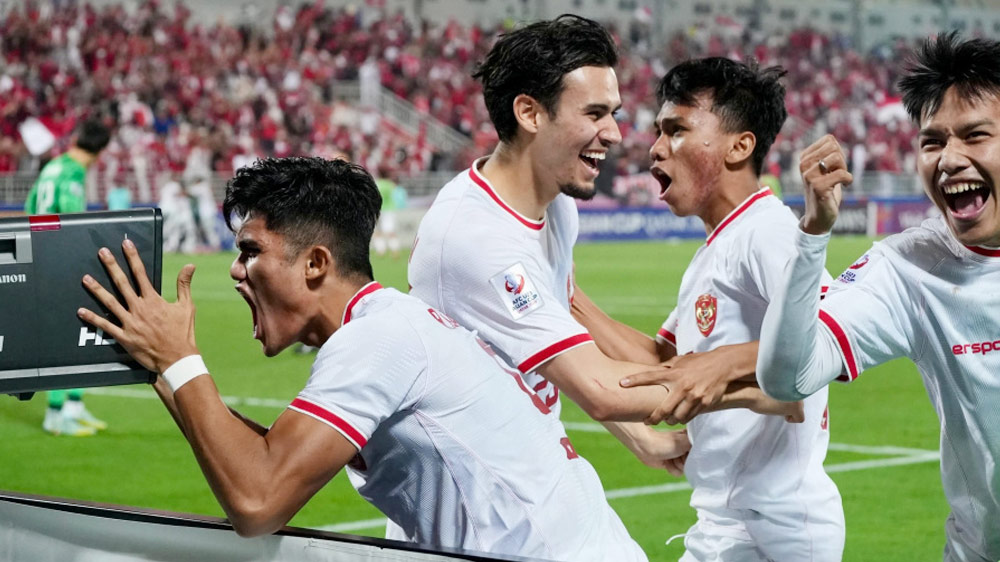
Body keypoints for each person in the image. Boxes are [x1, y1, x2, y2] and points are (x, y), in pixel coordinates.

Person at [75, 157, 649, 561]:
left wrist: (180, 361)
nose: (235, 269)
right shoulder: (390, 324)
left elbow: (258, 499)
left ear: (315, 263)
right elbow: (268, 459)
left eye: (251, 251)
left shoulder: (379, 340)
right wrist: (164, 369)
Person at [408, 15, 797, 474]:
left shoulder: (556, 206)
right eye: (595, 114)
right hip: (470, 480)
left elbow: (566, 347)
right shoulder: (477, 238)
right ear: (530, 113)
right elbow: (599, 388)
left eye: (613, 113)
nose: (614, 133)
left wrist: (642, 439)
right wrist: (761, 392)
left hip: (528, 456)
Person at [570, 58, 844, 561]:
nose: (656, 148)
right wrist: (569, 299)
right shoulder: (718, 247)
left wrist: (722, 366)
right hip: (729, 520)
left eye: (676, 130)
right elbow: (661, 360)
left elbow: (826, 336)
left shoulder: (767, 232)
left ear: (740, 146)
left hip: (773, 527)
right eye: (659, 131)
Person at [756, 33, 1000, 562]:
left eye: (975, 135)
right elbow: (787, 377)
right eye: (932, 142)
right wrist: (813, 235)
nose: (949, 159)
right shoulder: (908, 267)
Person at [24, 117, 111, 437]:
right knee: (67, 335)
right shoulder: (74, 173)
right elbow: (73, 221)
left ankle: (73, 405)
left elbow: (30, 205)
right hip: (60, 258)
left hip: (41, 253)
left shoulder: (53, 166)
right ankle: (56, 414)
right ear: (101, 151)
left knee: (79, 330)